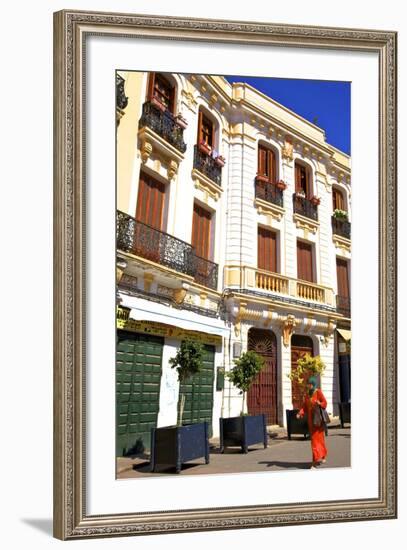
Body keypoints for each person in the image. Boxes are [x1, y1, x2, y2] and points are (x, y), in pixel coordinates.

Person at [297, 376, 328, 469]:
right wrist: (300, 413)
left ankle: (314, 462)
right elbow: (304, 407)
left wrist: (320, 403)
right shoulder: (307, 395)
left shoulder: (318, 392)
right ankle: (322, 456)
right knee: (315, 441)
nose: (309, 386)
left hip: (318, 421)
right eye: (308, 384)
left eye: (310, 384)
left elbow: (325, 403)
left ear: (314, 384)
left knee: (318, 441)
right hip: (311, 422)